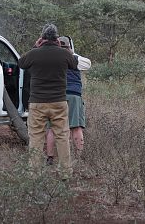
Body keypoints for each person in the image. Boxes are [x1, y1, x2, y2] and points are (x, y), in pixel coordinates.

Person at [18, 24, 78, 179]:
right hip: (58, 102)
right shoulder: (64, 54)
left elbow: (21, 63)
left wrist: (34, 46)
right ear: (57, 39)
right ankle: (65, 173)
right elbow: (75, 64)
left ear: (42, 38)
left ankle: (34, 173)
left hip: (37, 102)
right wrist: (66, 49)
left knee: (36, 137)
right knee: (62, 136)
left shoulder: (34, 53)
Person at [46, 36, 91, 166]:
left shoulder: (51, 59)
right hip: (73, 95)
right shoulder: (74, 58)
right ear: (69, 46)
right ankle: (79, 156)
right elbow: (87, 64)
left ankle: (50, 158)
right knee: (76, 127)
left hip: (56, 96)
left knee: (52, 128)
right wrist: (73, 54)